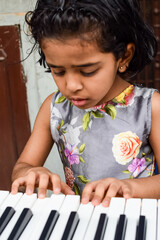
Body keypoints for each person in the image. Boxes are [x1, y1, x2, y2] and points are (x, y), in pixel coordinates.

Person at [11, 0, 160, 207]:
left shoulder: (150, 107)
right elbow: (23, 165)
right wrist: (31, 172)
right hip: (84, 223)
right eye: (58, 71)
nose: (71, 86)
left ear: (124, 56)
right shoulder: (54, 108)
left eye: (88, 71)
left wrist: (131, 188)